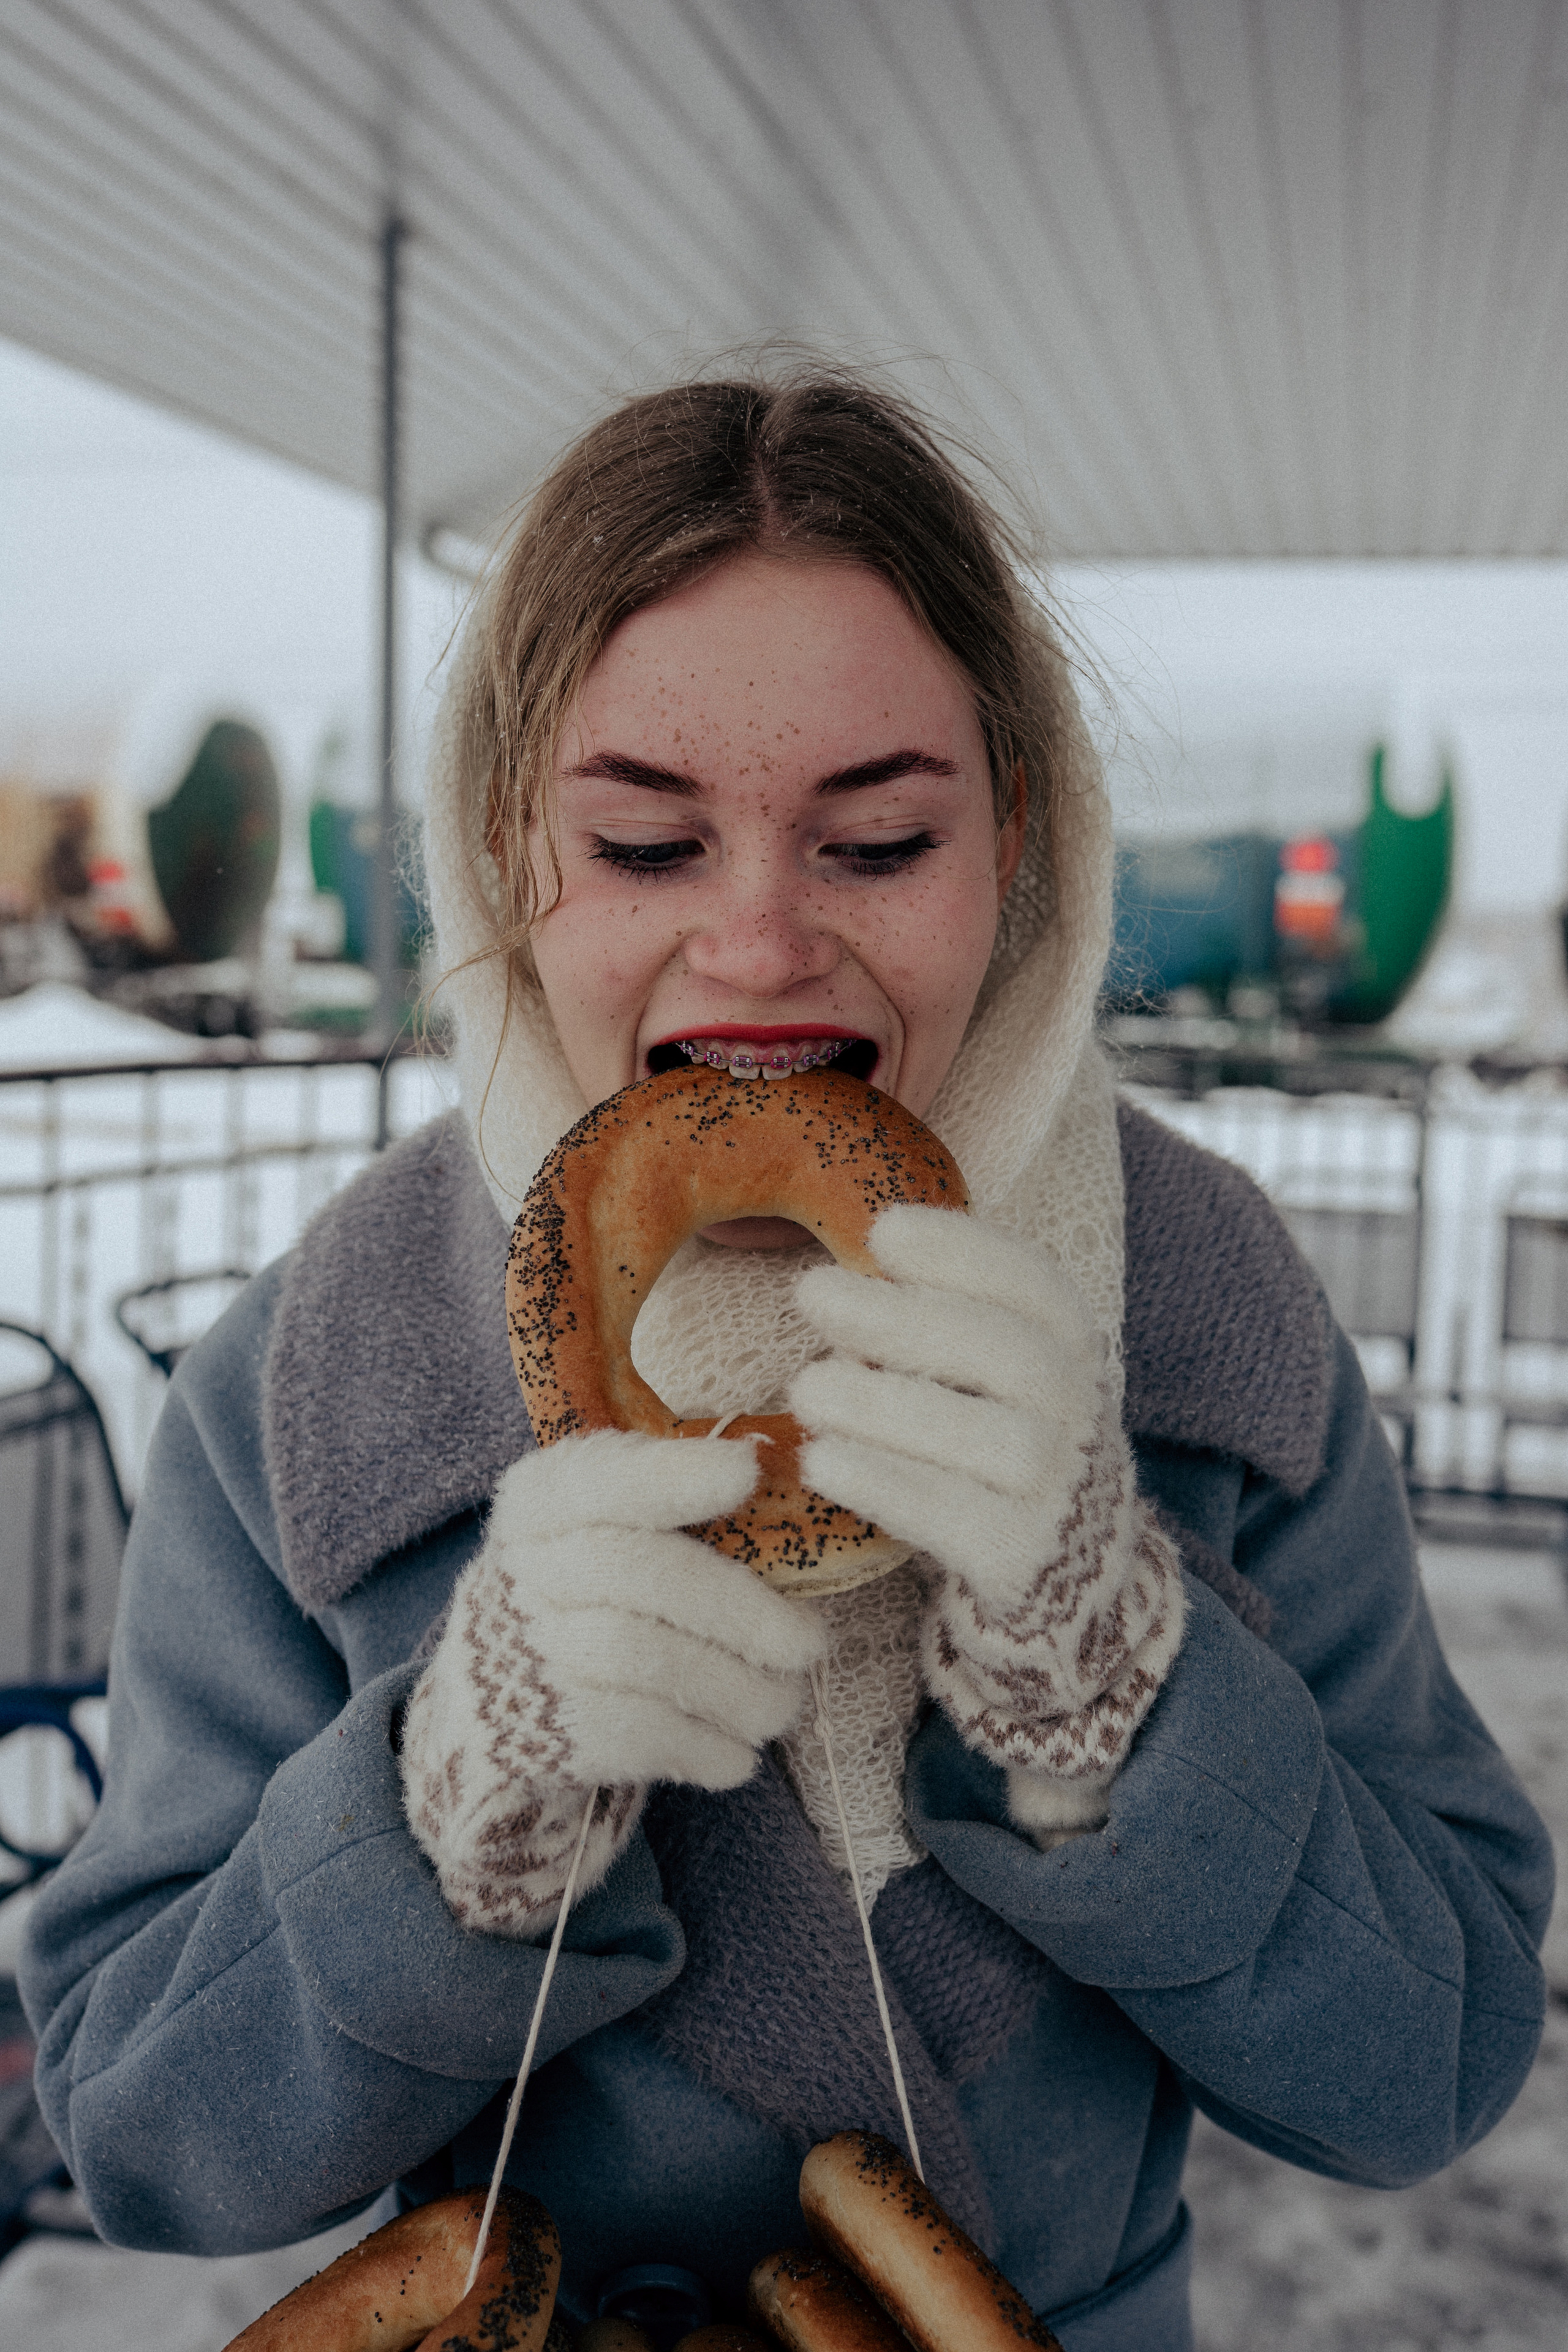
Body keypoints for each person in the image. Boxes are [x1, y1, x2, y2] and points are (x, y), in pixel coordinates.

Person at [20, 373, 1552, 2352]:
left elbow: (1426, 2069)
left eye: (879, 838)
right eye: (647, 845)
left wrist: (1123, 1698)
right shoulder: (322, 1374)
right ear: (503, 851)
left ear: (1021, 840)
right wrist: (444, 1810)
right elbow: (142, 2139)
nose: (757, 946)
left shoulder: (1201, 1308)